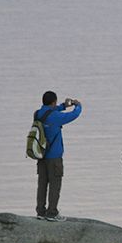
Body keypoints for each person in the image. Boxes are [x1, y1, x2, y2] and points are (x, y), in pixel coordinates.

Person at [34, 91, 82, 222]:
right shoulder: (55, 116)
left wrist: (63, 106)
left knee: (42, 184)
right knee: (55, 185)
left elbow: (50, 111)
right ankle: (52, 213)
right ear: (53, 102)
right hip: (54, 157)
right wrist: (78, 106)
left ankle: (40, 211)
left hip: (41, 155)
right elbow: (74, 115)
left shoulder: (38, 114)